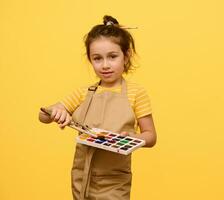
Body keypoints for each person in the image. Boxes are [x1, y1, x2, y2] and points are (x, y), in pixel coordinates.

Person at [38, 15, 157, 200]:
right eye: (97, 58)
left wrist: (134, 138)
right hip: (82, 177)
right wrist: (55, 111)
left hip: (115, 180)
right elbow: (43, 116)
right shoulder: (82, 92)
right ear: (90, 60)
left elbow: (151, 136)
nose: (105, 65)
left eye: (112, 57)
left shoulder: (136, 93)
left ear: (126, 56)